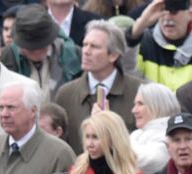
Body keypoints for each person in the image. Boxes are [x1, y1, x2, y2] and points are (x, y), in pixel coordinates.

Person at [53, 21, 143, 155]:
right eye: (84, 45)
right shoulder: (65, 94)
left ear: (113, 55)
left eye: (94, 47)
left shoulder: (139, 92)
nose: (86, 51)